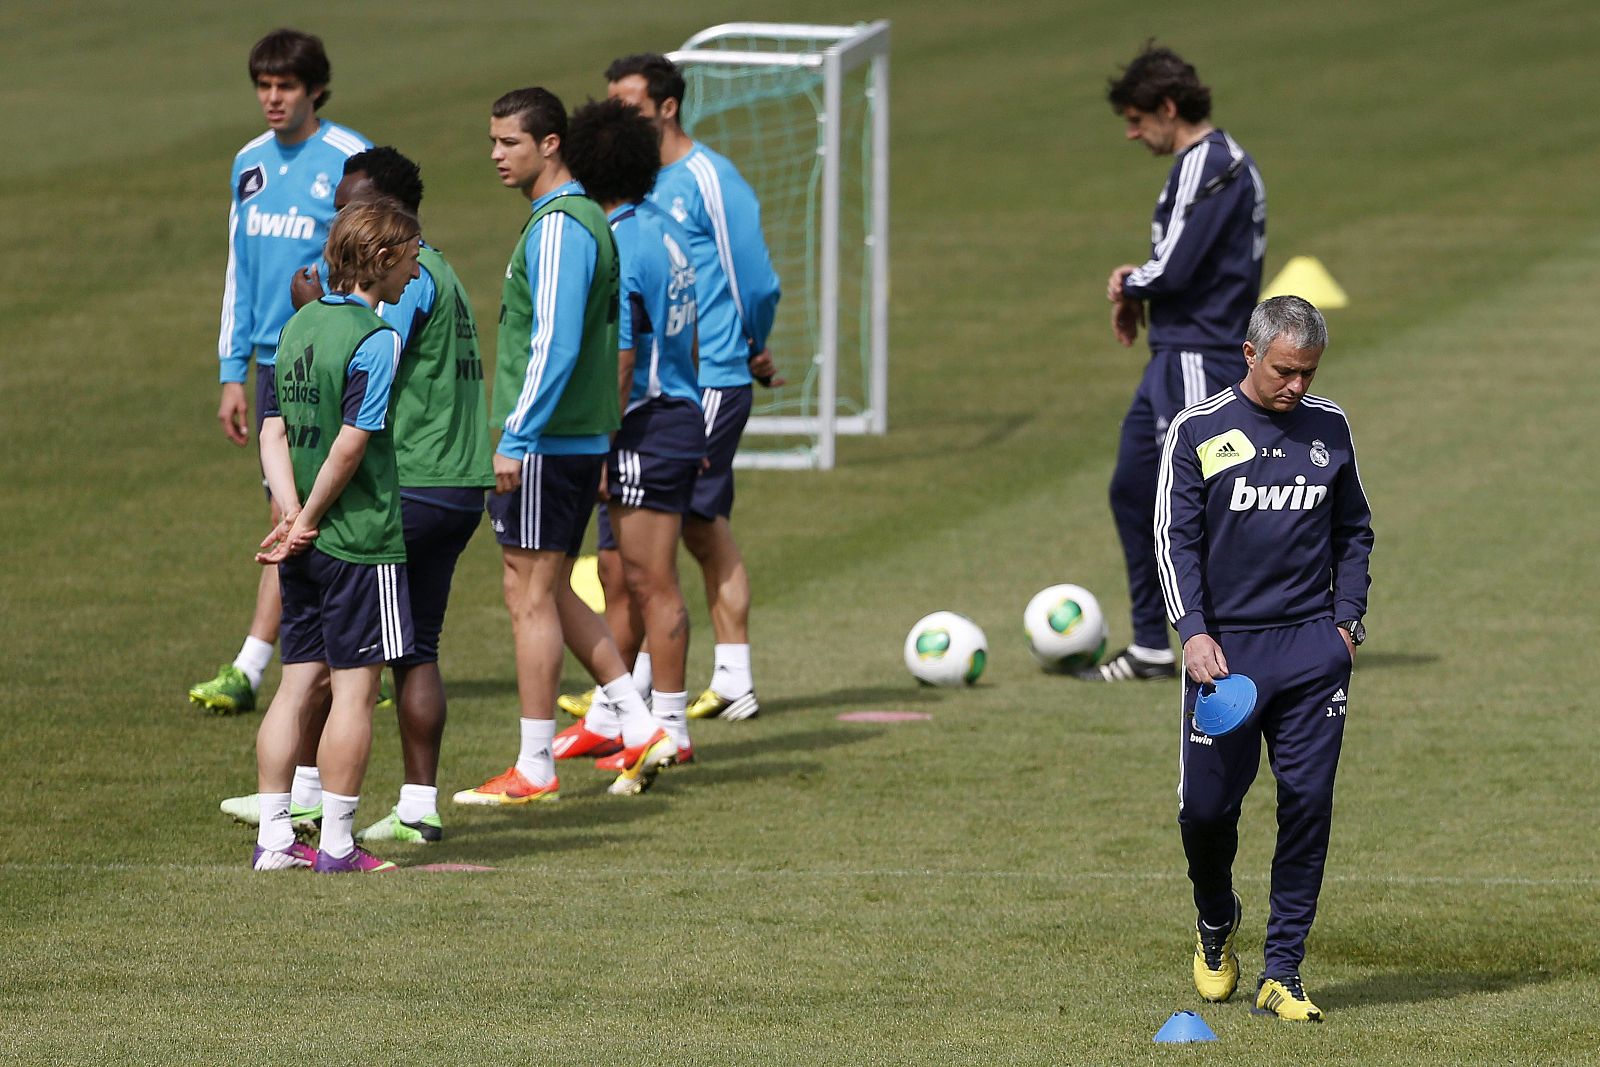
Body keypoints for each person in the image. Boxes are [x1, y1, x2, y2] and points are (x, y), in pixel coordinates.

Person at [1155, 296, 1372, 1020]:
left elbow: (1355, 531)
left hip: (1312, 650)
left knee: (1308, 803)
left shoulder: (1329, 426)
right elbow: (1174, 540)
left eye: (1308, 372)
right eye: (1285, 370)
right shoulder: (1200, 430)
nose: (1297, 387)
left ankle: (1284, 971)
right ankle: (1216, 918)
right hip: (1226, 657)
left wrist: (1346, 624)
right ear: (1250, 355)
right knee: (1206, 811)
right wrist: (1192, 631)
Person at [453, 87, 662, 806]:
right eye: (492, 141)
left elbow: (555, 343)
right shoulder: (578, 221)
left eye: (509, 142)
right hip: (566, 437)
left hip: (544, 440)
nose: (496, 156)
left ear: (550, 144)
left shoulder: (559, 228)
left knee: (532, 596)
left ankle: (535, 764)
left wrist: (516, 435)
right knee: (529, 586)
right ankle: (638, 721)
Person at [190, 28, 371, 714]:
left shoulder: (348, 157)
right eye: (263, 86)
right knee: (295, 508)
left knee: (294, 508)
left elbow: (382, 258)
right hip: (271, 361)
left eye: (285, 86)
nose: (272, 99)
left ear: (314, 89)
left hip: (330, 354)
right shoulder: (248, 162)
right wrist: (231, 370)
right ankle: (346, 648)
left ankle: (255, 664)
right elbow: (241, 268)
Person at [602, 52, 781, 722]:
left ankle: (659, 692)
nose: (618, 114)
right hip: (670, 380)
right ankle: (660, 684)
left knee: (671, 534)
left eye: (629, 101)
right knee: (688, 531)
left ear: (667, 105)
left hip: (705, 379)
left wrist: (750, 344)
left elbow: (752, 278)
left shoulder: (708, 177)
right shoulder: (641, 186)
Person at [1083, 43, 1266, 684]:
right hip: (1174, 354)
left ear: (1167, 107)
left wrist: (1128, 285)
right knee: (1133, 487)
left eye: (1137, 119)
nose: (1132, 133)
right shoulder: (1217, 164)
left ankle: (1236, 641)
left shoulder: (1208, 162)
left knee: (1202, 503)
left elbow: (1179, 266)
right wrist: (1142, 284)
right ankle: (1154, 645)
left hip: (1198, 355)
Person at [251, 196, 422, 873]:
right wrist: (315, 513)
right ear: (380, 258)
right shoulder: (376, 340)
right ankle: (338, 845)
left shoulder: (296, 327)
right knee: (353, 692)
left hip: (303, 543)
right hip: (357, 539)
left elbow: (272, 432)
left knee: (295, 687)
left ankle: (273, 839)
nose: (414, 272)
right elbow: (351, 446)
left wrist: (290, 515)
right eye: (409, 258)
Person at [556, 98, 704, 788]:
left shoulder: (613, 244)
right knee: (619, 573)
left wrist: (605, 449)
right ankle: (621, 716)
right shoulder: (664, 229)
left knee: (652, 581)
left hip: (639, 426)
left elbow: (619, 361)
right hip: (668, 415)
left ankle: (668, 730)